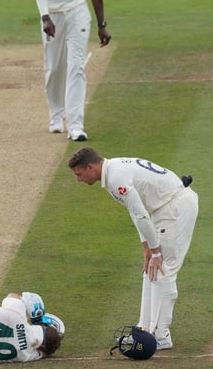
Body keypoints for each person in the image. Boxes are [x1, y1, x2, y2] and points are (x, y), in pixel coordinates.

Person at [68, 147, 198, 350]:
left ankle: (161, 335)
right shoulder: (112, 172)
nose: (79, 179)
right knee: (151, 271)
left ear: (90, 167)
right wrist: (147, 247)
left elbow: (141, 214)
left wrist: (156, 252)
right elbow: (136, 210)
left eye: (79, 174)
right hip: (163, 208)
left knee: (164, 270)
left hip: (175, 208)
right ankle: (143, 330)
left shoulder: (116, 178)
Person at [34, 0, 111, 141]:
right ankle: (56, 114)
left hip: (78, 12)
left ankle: (75, 125)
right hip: (52, 15)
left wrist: (101, 25)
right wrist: (45, 17)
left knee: (76, 67)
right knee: (54, 68)